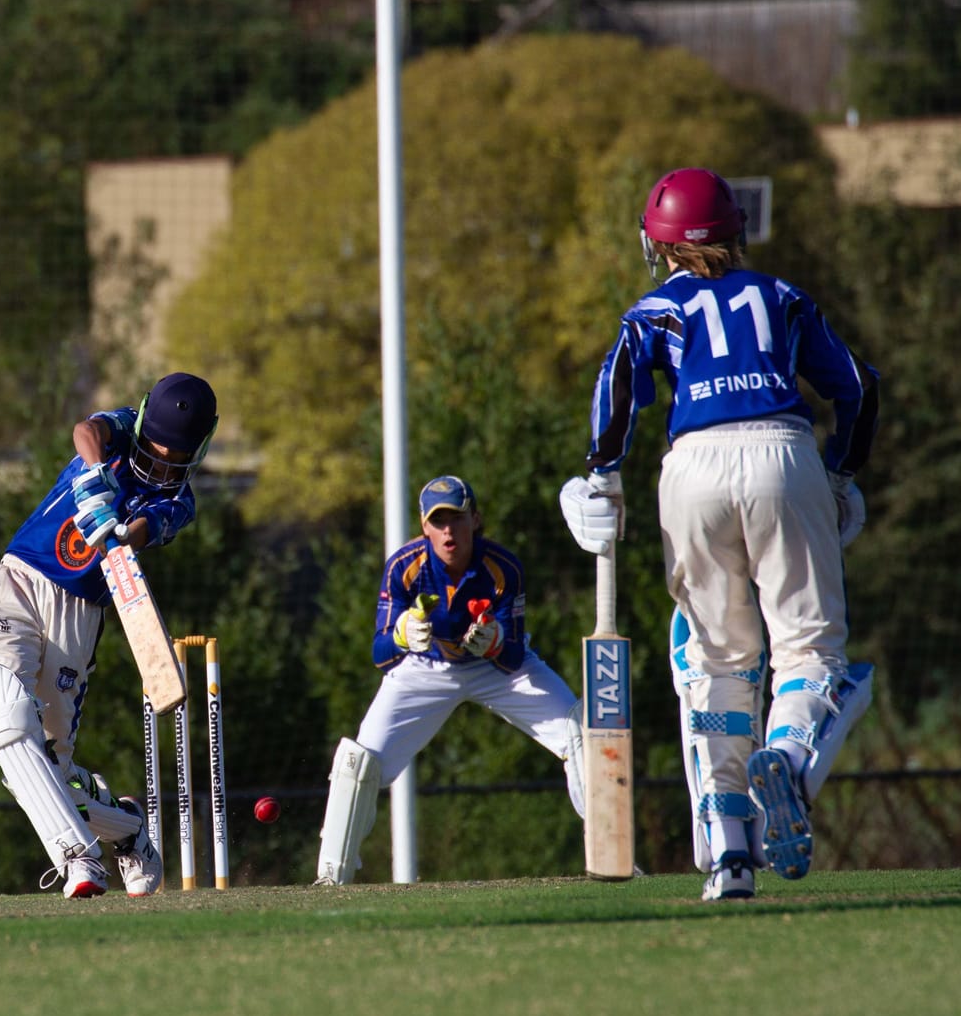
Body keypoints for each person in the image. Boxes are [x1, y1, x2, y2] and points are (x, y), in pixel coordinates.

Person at [559, 167, 879, 901]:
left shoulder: (654, 309)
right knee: (808, 648)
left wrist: (601, 475)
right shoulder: (782, 295)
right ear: (736, 232)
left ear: (660, 244)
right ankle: (788, 761)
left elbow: (616, 389)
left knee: (717, 662)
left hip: (692, 469)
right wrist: (839, 473)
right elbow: (859, 387)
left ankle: (731, 852)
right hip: (784, 454)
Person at [0, 372, 217, 898]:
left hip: (78, 616)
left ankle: (126, 830)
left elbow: (148, 528)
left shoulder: (179, 502)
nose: (158, 466)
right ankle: (79, 858)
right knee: (4, 721)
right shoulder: (124, 428)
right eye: (153, 453)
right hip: (19, 578)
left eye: (172, 461)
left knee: (43, 770)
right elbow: (87, 430)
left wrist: (121, 532)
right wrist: (93, 474)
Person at [313, 476, 587, 886]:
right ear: (424, 526)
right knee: (359, 761)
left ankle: (613, 856)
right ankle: (330, 878)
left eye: (456, 519)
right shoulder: (404, 566)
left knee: (581, 732)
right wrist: (402, 635)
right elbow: (380, 654)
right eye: (438, 522)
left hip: (492, 670)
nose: (448, 532)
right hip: (425, 668)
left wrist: (495, 642)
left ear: (474, 519)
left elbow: (513, 657)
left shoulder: (503, 567)